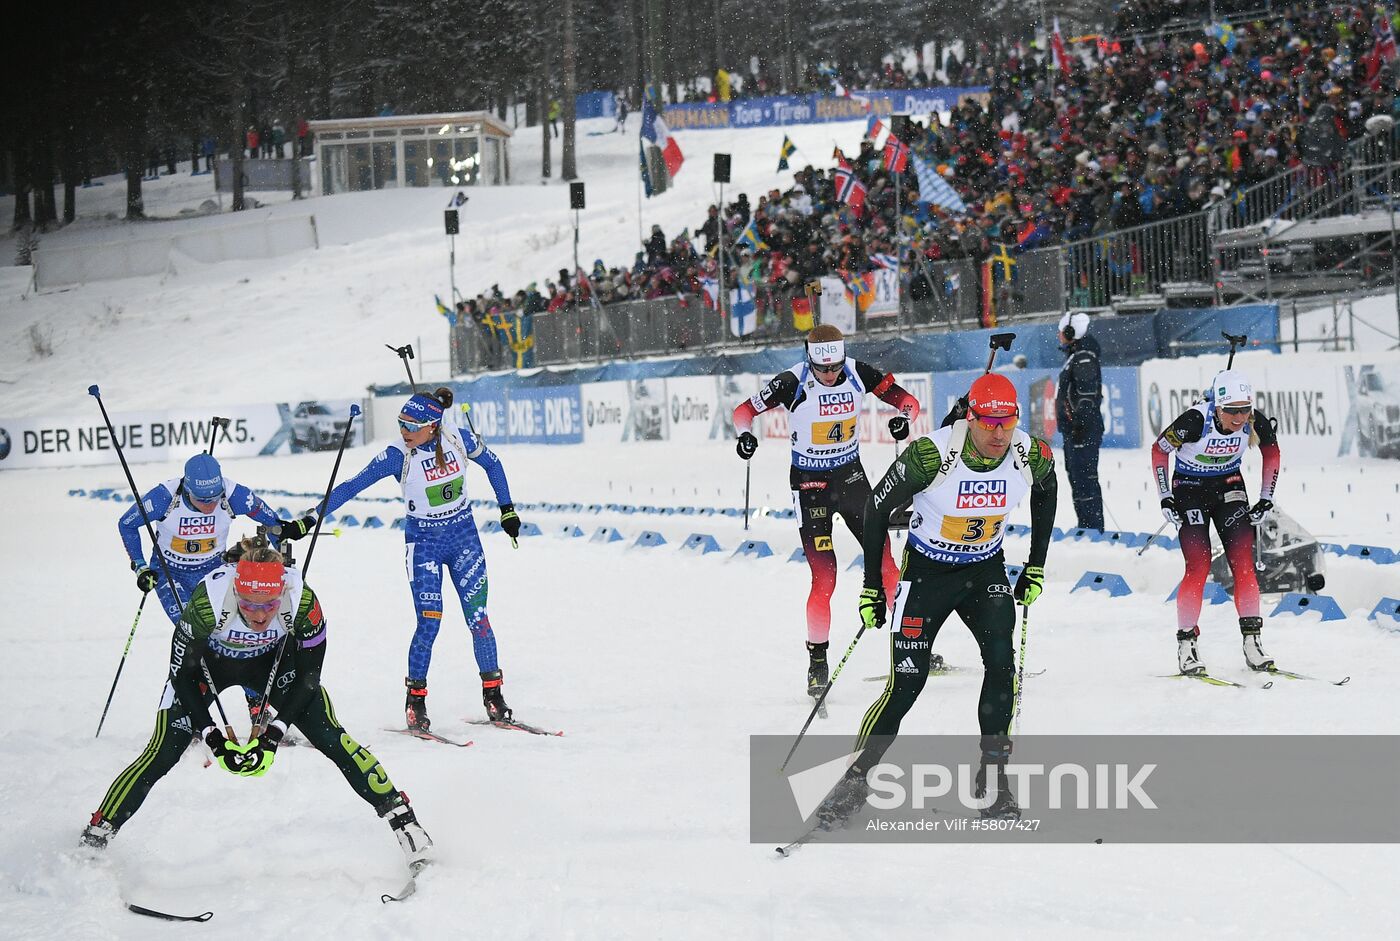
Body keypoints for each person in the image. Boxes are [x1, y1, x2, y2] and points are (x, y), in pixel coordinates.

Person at [80, 536, 432, 871]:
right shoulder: (208, 601)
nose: (259, 615)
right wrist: (212, 736)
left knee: (330, 736)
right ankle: (97, 835)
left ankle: (407, 826)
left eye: (268, 606)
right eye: (248, 604)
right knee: (164, 749)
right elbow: (181, 675)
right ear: (236, 590)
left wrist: (273, 734)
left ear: (282, 593)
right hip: (206, 668)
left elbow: (310, 677)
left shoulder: (303, 600)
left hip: (271, 665)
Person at [822, 373, 1057, 824]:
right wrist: (873, 584)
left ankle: (994, 776)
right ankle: (856, 777)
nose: (998, 433)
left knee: (1002, 667)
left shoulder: (1031, 454)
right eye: (988, 422)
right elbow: (875, 509)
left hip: (984, 569)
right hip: (927, 574)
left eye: (1006, 422)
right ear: (970, 417)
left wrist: (1036, 564)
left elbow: (1048, 491)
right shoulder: (933, 455)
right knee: (906, 684)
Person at [731, 324, 921, 699]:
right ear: (811, 360)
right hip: (810, 485)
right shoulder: (792, 381)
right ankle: (817, 663)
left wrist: (904, 420)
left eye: (835, 367)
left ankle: (911, 646)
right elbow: (742, 411)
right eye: (824, 369)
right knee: (825, 578)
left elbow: (908, 402)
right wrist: (745, 436)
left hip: (851, 479)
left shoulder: (857, 371)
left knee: (886, 565)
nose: (832, 375)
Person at [319, 388, 521, 730]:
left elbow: (494, 464)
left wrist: (507, 510)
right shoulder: (397, 455)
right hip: (424, 543)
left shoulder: (457, 437)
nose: (404, 431)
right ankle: (416, 702)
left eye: (411, 425)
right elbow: (352, 485)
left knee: (479, 620)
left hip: (463, 539)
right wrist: (313, 515)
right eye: (400, 424)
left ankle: (494, 696)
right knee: (429, 622)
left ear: (433, 425)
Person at [118, 452, 314, 724]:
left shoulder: (234, 494)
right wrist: (140, 567)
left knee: (242, 635)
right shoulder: (165, 496)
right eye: (202, 500)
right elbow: (127, 524)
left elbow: (271, 522)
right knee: (197, 638)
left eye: (214, 498)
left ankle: (257, 703)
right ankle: (189, 712)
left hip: (213, 573)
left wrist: (280, 536)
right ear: (187, 489)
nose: (210, 505)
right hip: (170, 575)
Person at [1152, 369, 1281, 675]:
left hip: (1229, 487)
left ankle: (1253, 642)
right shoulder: (1194, 420)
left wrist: (1266, 497)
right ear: (1217, 407)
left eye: (1244, 410)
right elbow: (1159, 451)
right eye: (1231, 412)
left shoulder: (1254, 420)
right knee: (1199, 565)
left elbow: (1272, 454)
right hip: (1189, 490)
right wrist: (1165, 496)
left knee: (1243, 564)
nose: (1239, 419)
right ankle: (1186, 644)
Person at [1055, 311, 1104, 531]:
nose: (1058, 335)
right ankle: (1086, 526)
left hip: (1082, 431)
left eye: (1061, 330)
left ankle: (1092, 527)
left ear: (1070, 332)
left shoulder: (1083, 357)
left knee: (1085, 479)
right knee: (1078, 478)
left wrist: (1080, 424)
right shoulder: (1077, 355)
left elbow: (1086, 396)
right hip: (1076, 430)